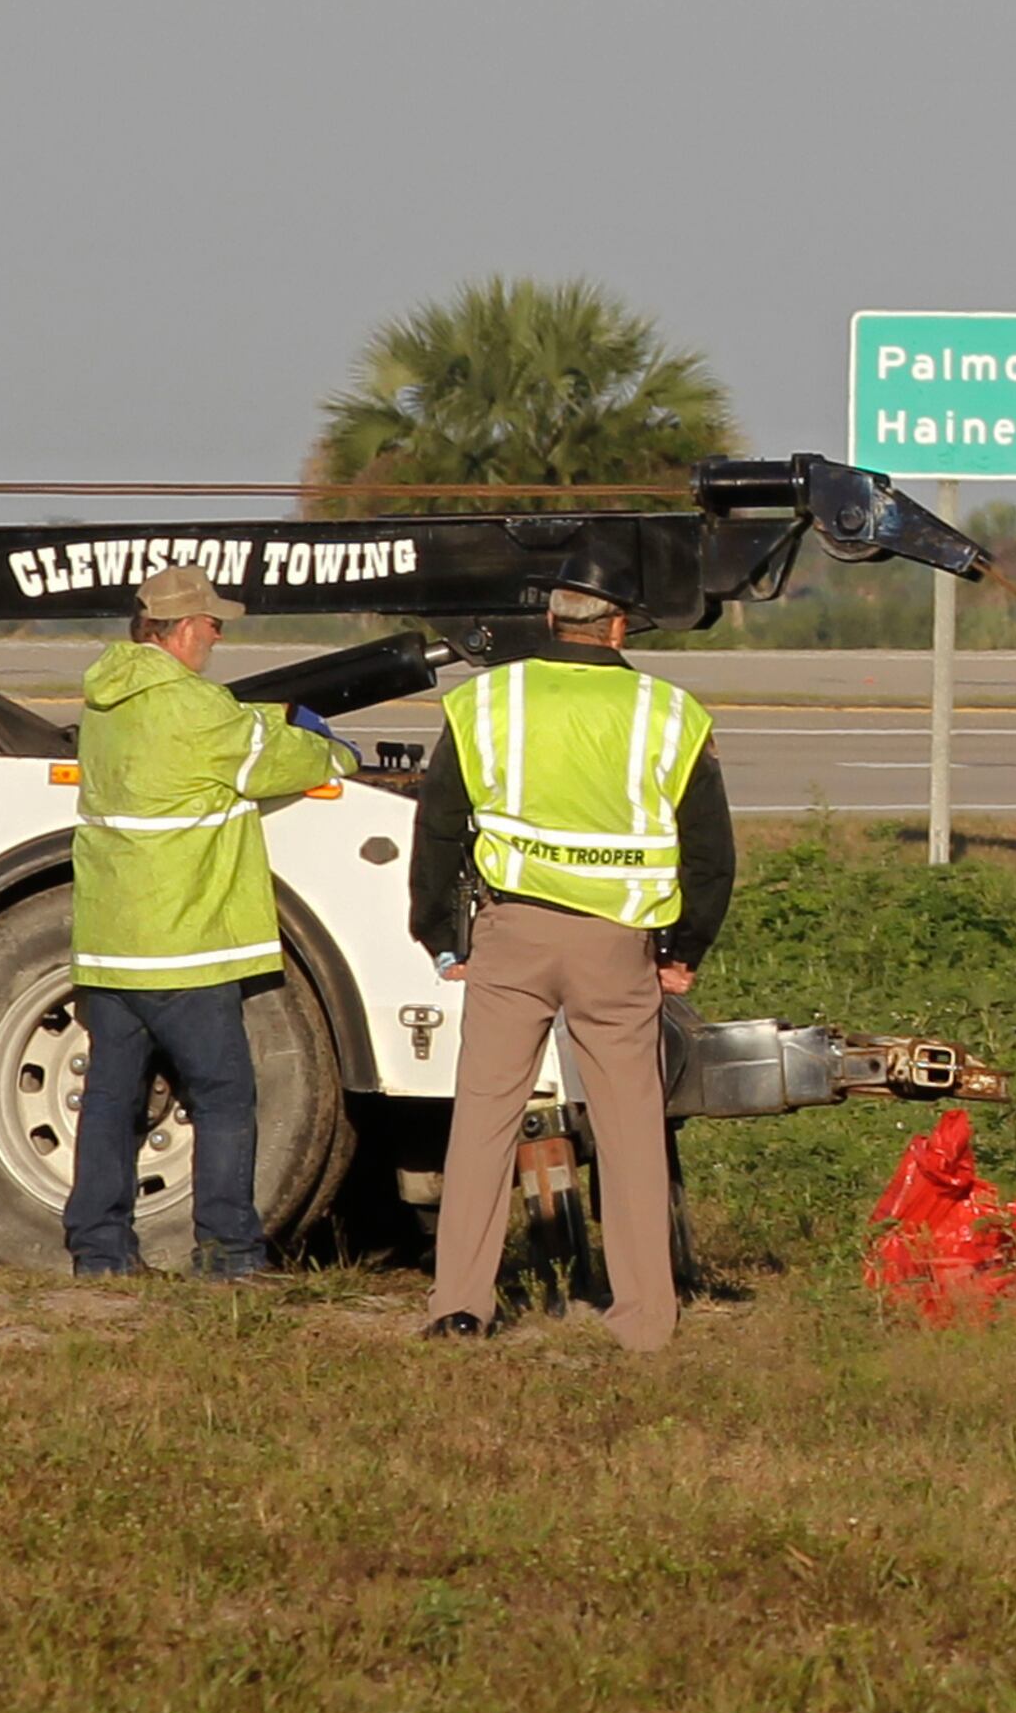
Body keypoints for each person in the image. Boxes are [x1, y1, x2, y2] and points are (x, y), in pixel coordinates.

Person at [407, 534, 734, 1346]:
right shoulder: (671, 715)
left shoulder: (486, 703)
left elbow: (439, 826)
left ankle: (460, 1305)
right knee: (629, 1125)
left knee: (484, 1117)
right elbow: (711, 855)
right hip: (618, 945)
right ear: (618, 627)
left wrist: (441, 934)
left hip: (511, 933)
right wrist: (682, 950)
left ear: (552, 615)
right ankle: (646, 1319)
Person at [64, 564, 359, 1278]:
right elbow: (272, 762)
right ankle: (229, 1255)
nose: (219, 637)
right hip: (183, 947)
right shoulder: (195, 709)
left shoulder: (108, 699)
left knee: (110, 1100)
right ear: (183, 629)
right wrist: (332, 750)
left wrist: (253, 717)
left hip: (110, 945)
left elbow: (225, 732)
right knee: (225, 1097)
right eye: (214, 625)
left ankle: (99, 1253)